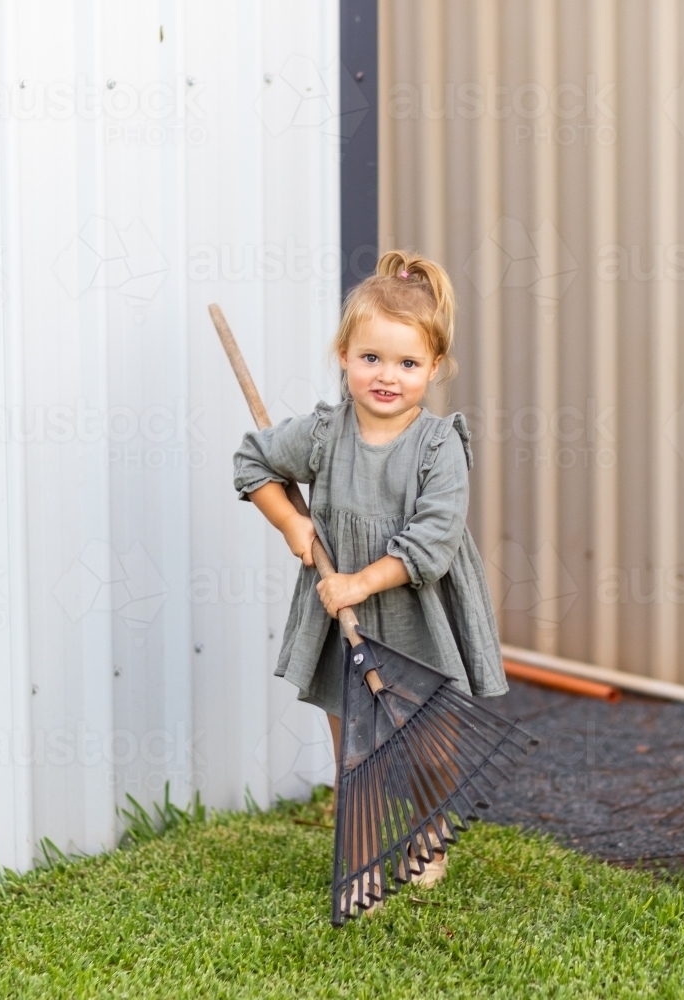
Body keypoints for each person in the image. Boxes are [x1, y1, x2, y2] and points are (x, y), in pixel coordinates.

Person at [232, 250, 507, 911]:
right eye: (371, 359)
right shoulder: (327, 434)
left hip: (419, 616)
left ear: (434, 369)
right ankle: (359, 865)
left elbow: (432, 543)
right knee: (357, 755)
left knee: (430, 749)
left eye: (408, 364)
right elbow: (253, 460)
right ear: (345, 355)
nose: (388, 376)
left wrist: (357, 583)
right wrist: (291, 525)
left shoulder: (441, 447)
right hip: (343, 627)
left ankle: (429, 828)